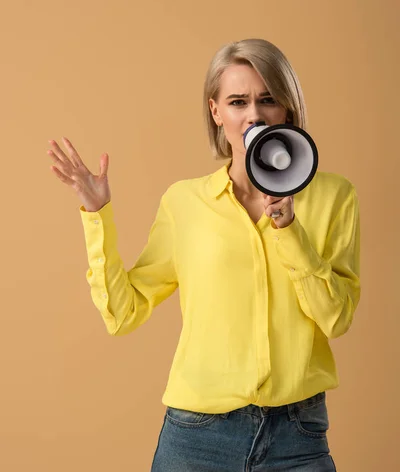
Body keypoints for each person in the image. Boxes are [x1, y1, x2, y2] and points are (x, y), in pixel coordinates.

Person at [47, 38, 360, 471]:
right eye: (238, 101)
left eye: (267, 99)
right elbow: (123, 313)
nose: (254, 114)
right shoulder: (185, 203)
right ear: (216, 112)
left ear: (286, 109)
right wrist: (96, 213)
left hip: (297, 436)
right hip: (198, 439)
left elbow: (336, 318)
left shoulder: (333, 197)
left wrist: (290, 230)